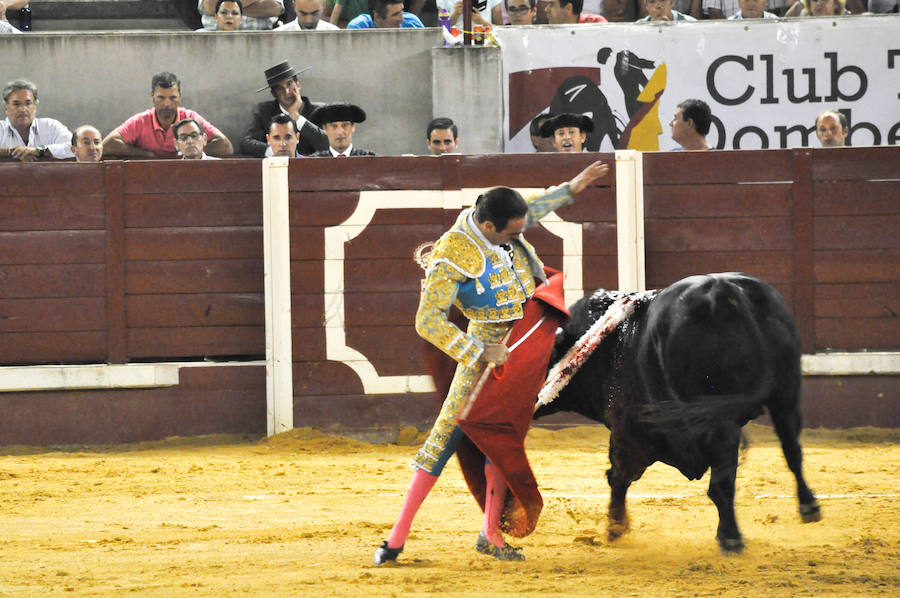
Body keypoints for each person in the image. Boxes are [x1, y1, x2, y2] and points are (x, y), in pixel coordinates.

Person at [373, 160, 610, 565]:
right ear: (488, 228)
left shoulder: (501, 224)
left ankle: (490, 535)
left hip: (523, 345)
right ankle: (395, 540)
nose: (521, 235)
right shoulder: (453, 254)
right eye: (513, 232)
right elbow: (426, 321)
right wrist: (478, 351)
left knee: (502, 438)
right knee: (444, 441)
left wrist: (571, 187)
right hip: (484, 354)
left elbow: (530, 210)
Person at [103, 73, 232, 159]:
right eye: (161, 97)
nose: (167, 104)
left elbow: (225, 146)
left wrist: (188, 152)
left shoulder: (190, 118)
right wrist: (147, 155)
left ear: (180, 97)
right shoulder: (141, 121)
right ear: (152, 96)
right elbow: (108, 145)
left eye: (172, 98)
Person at [240, 61, 329, 157]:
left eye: (289, 84)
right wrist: (277, 150)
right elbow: (246, 143)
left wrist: (296, 116)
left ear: (298, 85)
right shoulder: (263, 111)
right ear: (274, 94)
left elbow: (329, 144)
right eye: (279, 89)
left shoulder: (319, 110)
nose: (287, 92)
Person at [0, 79, 74, 161]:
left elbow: (75, 148)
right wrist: (10, 152)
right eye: (16, 104)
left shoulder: (51, 126)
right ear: (6, 108)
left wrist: (39, 151)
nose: (23, 109)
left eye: (28, 103)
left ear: (35, 107)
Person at [309, 103, 375, 156]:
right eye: (334, 126)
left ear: (353, 127)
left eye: (344, 125)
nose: (339, 132)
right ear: (325, 129)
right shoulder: (314, 162)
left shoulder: (369, 161)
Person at [197, 0, 284, 29]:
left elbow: (274, 8)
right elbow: (210, 7)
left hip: (261, 36)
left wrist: (225, 8)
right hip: (214, 35)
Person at [346, 0, 425, 27]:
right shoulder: (359, 27)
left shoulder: (412, 23)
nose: (402, 19)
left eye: (402, 11)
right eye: (395, 14)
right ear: (377, 16)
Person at [438, 0, 503, 30]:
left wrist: (481, 22)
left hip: (485, 40)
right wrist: (456, 14)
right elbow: (442, 29)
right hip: (454, 41)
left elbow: (500, 29)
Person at [275, 0, 339, 28]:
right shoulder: (276, 36)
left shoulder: (335, 33)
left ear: (322, 6)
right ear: (294, 6)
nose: (309, 20)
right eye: (303, 14)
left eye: (314, 13)